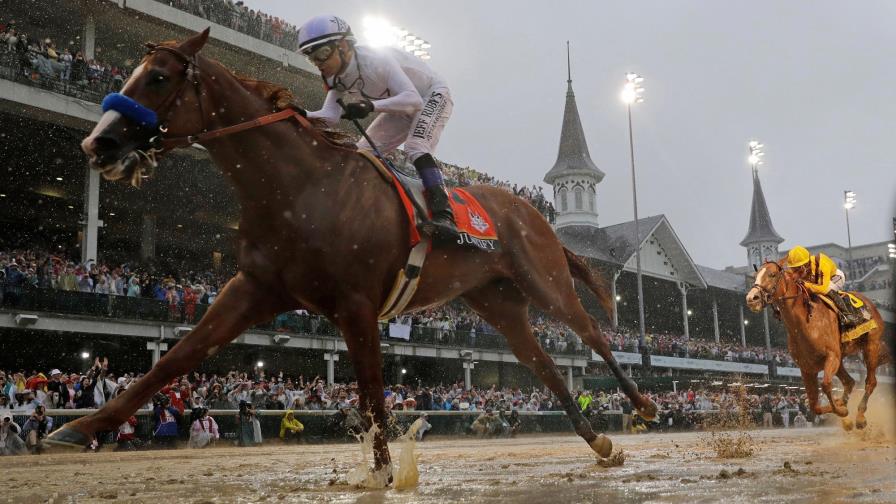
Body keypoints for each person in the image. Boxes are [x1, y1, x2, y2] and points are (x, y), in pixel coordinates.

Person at [297, 14, 458, 240]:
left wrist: (370, 105)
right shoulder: (334, 78)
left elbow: (413, 100)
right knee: (362, 154)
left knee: (416, 146)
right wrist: (300, 114)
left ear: (343, 46)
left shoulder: (376, 59)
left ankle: (444, 214)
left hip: (430, 93)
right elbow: (329, 117)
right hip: (400, 103)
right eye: (311, 58)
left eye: (322, 54)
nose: (319, 63)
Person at [785, 246, 864, 325]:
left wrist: (806, 285)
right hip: (817, 281)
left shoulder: (822, 263)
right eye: (793, 269)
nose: (794, 272)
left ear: (805, 265)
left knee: (829, 290)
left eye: (796, 269)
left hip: (834, 278)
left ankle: (847, 314)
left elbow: (823, 288)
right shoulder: (802, 267)